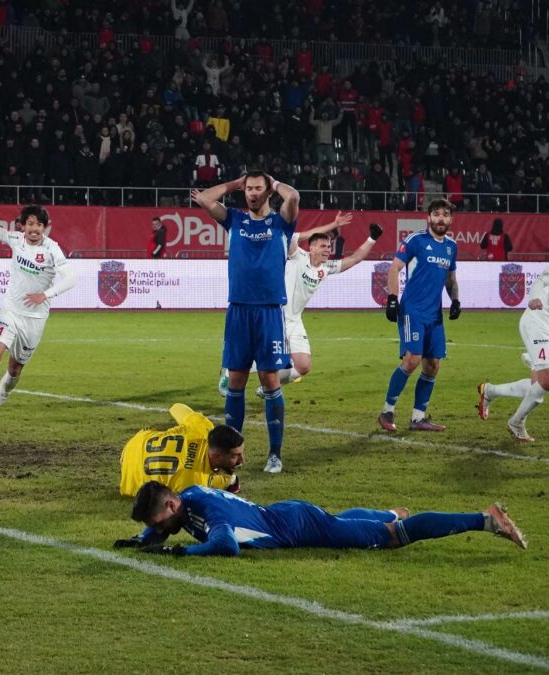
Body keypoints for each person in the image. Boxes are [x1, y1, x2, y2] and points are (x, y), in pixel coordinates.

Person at [193, 171, 300, 474]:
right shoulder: (235, 220)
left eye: (258, 189)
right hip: (238, 310)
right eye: (249, 189)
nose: (252, 193)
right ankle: (230, 453)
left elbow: (293, 197)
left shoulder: (281, 222)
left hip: (268, 311)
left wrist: (273, 182)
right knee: (236, 381)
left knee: (270, 381)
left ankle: (275, 455)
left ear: (268, 192)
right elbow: (203, 198)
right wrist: (235, 184)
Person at [117, 481, 527, 557]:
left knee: (393, 537)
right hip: (288, 514)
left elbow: (224, 545)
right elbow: (162, 525)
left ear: (172, 508)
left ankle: (484, 520)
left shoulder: (210, 514)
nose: (160, 531)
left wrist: (181, 554)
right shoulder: (185, 497)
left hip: (300, 528)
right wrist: (142, 539)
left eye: (159, 523)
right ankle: (386, 510)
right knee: (346, 523)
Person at [0, 181, 77, 429]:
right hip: (10, 311)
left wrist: (46, 294)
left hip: (35, 319)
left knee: (15, 368)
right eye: (30, 224)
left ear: (44, 227)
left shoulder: (52, 249)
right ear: (23, 226)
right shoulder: (15, 240)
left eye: (39, 224)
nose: (34, 229)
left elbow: (72, 278)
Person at [266, 215, 382, 392]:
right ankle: (231, 373)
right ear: (311, 248)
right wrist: (333, 225)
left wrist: (372, 238)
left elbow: (355, 259)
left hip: (295, 320)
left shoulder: (327, 267)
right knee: (266, 358)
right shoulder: (298, 256)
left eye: (329, 246)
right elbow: (292, 236)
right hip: (276, 316)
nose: (328, 249)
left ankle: (268, 386)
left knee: (303, 366)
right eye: (323, 246)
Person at [379, 199, 461, 433]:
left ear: (450, 220)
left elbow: (451, 279)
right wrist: (392, 298)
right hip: (413, 310)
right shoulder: (415, 240)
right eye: (436, 214)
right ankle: (387, 411)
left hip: (435, 315)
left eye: (445, 215)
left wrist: (455, 299)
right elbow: (394, 267)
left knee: (433, 365)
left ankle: (418, 418)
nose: (441, 219)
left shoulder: (451, 247)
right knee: (412, 359)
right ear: (429, 218)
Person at [477, 253, 549, 441]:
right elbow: (542, 280)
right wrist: (535, 297)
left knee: (538, 384)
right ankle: (516, 423)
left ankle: (489, 391)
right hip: (538, 319)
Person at [119, 404, 244, 498]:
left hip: (136, 442)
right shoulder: (197, 483)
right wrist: (230, 479)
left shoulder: (202, 428)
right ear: (216, 456)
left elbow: (175, 407)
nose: (242, 459)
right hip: (130, 478)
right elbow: (230, 481)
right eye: (236, 455)